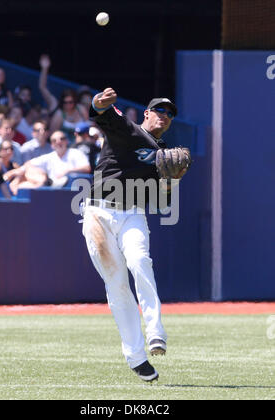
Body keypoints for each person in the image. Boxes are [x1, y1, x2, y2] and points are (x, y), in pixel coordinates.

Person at [82, 87, 182, 383]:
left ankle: (156, 334)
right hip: (98, 212)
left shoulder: (165, 157)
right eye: (160, 111)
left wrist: (169, 182)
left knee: (140, 261)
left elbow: (163, 203)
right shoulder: (128, 129)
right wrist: (98, 102)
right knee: (117, 284)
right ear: (147, 113)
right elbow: (101, 113)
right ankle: (137, 358)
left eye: (170, 115)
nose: (165, 117)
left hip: (133, 214)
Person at [4, 130, 91, 194]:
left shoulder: (75, 153)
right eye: (54, 140)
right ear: (52, 145)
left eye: (62, 139)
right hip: (52, 189)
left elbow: (87, 168)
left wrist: (68, 171)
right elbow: (28, 164)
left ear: (66, 141)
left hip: (73, 190)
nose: (58, 142)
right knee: (32, 175)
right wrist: (13, 173)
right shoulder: (49, 156)